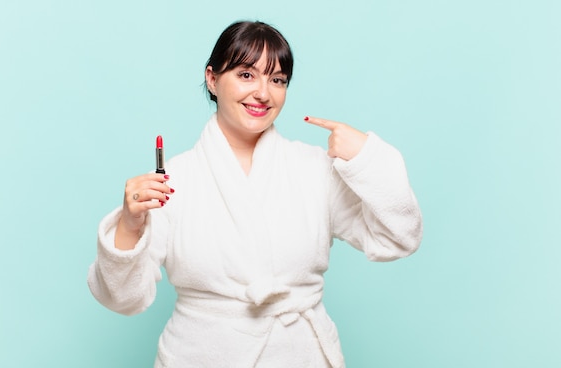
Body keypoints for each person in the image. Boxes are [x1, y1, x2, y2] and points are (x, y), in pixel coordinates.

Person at [88, 20, 423, 368]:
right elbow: (122, 298)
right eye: (246, 74)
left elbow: (399, 237)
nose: (263, 93)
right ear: (213, 79)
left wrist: (367, 158)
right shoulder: (175, 180)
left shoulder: (314, 170)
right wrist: (129, 226)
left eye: (277, 80)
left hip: (300, 354)